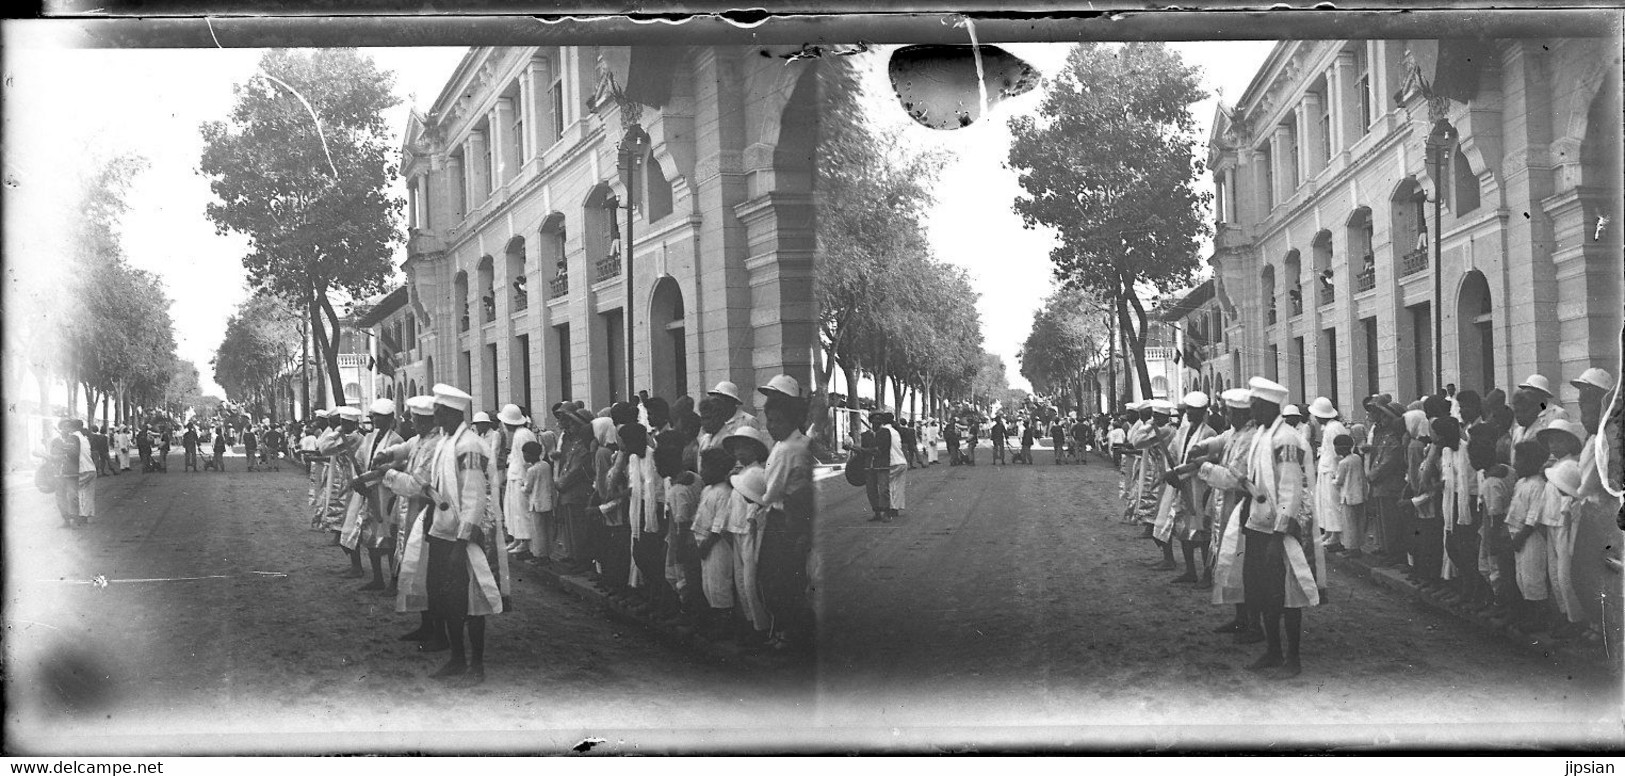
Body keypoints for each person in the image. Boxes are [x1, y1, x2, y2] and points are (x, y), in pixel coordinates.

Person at [423, 384, 509, 687]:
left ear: (449, 411)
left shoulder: (469, 445)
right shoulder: (447, 442)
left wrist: (461, 543)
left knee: (472, 602)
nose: (433, 413)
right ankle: (457, 658)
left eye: (436, 409)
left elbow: (473, 497)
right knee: (448, 601)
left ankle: (477, 664)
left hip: (463, 538)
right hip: (442, 532)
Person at [1239, 377, 1323, 679]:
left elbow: (1290, 489)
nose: (1251, 410)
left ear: (1268, 405)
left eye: (1255, 405)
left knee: (1287, 595)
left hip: (1280, 531)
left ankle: (1293, 657)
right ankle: (1273, 651)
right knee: (1263, 594)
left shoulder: (1285, 438)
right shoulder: (1262, 434)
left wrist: (1278, 535)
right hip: (1258, 525)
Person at [1196, 388, 1264, 640]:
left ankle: (1254, 625)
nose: (1225, 416)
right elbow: (1222, 439)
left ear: (1241, 413)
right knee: (1232, 564)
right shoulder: (1237, 432)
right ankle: (1240, 618)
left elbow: (1235, 478)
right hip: (1227, 507)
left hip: (1242, 507)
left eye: (1229, 412)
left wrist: (1202, 467)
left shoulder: (1250, 437)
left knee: (1244, 566)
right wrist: (1202, 447)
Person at [758, 379, 815, 651]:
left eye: (777, 420)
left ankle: (784, 632)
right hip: (798, 519)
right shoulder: (799, 442)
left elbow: (771, 492)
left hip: (781, 520)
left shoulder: (785, 448)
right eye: (769, 419)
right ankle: (792, 631)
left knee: (777, 580)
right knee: (793, 579)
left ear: (792, 419)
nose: (771, 425)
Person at [344, 400, 403, 592]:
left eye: (380, 417)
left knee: (389, 538)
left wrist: (364, 479)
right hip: (368, 493)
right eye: (374, 416)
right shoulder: (369, 438)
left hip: (386, 493)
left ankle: (394, 582)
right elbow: (359, 460)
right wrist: (358, 480)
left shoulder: (396, 441)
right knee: (370, 535)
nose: (376, 420)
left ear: (390, 419)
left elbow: (392, 467)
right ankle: (377, 579)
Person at [1157, 392, 1216, 585]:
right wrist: (1170, 472)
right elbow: (1172, 453)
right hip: (1181, 486)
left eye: (1194, 410)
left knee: (1203, 530)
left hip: (1199, 486)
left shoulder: (1209, 434)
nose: (1189, 413)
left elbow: (1203, 462)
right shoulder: (1181, 432)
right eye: (1187, 409)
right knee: (1183, 528)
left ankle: (1207, 574)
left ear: (1203, 412)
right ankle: (1190, 571)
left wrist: (1177, 473)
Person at [722, 427, 773, 648]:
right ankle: (750, 622)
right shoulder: (740, 474)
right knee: (740, 581)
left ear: (755, 448)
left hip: (750, 532)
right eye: (736, 447)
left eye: (743, 446)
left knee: (750, 583)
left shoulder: (758, 474)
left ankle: (760, 627)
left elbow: (759, 505)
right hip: (736, 531)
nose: (739, 451)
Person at [691, 447, 738, 641]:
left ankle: (725, 626)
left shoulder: (724, 493)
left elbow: (720, 522)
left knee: (720, 584)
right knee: (708, 584)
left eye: (707, 468)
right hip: (703, 543)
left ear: (719, 469)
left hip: (717, 546)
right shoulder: (707, 490)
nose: (702, 472)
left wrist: (708, 543)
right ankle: (715, 622)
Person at [496, 404, 538, 561]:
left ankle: (525, 541)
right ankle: (517, 538)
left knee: (522, 511)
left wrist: (526, 480)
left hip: (520, 477)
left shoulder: (522, 435)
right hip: (514, 476)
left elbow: (525, 460)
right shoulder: (518, 434)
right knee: (513, 510)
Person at [1307, 397, 1349, 554]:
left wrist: (1336, 471)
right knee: (1325, 503)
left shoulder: (1334, 428)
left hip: (1332, 469)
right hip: (1326, 468)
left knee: (1333, 504)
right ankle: (1329, 532)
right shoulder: (1329, 427)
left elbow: (1337, 452)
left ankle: (1336, 535)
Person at [525, 432, 558, 565]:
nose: (524, 456)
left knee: (537, 531)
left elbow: (528, 488)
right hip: (547, 502)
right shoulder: (545, 465)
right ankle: (548, 554)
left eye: (525, 453)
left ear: (531, 455)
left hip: (536, 503)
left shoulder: (531, 470)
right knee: (547, 529)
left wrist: (522, 486)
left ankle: (539, 555)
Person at [1333, 434, 1369, 558]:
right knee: (1358, 522)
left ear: (1340, 449)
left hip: (1348, 496)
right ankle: (1358, 547)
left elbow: (1339, 481)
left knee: (1349, 524)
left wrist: (1333, 479)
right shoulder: (1357, 458)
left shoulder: (1343, 462)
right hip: (1359, 495)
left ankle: (1351, 549)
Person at [697, 381, 760, 451]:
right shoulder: (711, 422)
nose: (717, 403)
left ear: (731, 401)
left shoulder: (749, 420)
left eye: (720, 399)